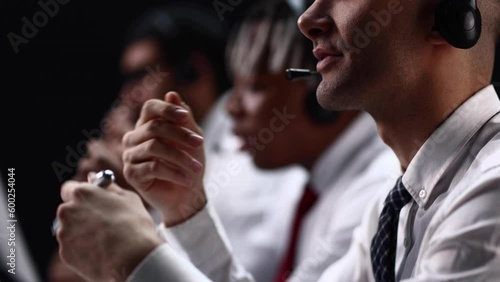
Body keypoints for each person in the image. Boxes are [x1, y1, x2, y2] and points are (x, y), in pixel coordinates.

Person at [54, 0, 500, 281]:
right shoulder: (394, 208)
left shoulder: (490, 192)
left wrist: (139, 261)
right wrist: (185, 210)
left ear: (451, 15)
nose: (308, 19)